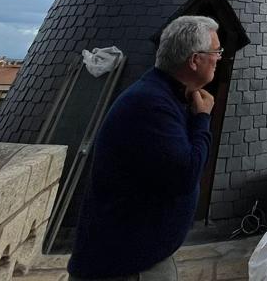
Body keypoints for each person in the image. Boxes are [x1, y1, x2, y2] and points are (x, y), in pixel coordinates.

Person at [68, 16, 222, 280]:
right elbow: (186, 175)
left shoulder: (161, 95)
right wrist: (202, 119)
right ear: (195, 60)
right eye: (216, 52)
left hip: (143, 256)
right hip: (124, 268)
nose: (219, 57)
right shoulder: (151, 105)